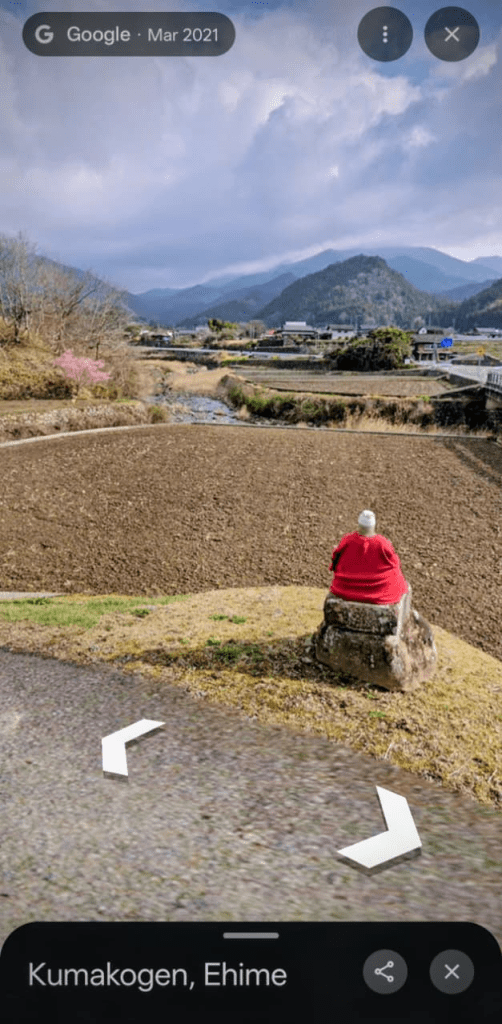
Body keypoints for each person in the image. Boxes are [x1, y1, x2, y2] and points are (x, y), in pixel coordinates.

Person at [329, 510, 408, 605]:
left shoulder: (348, 540)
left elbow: (335, 559)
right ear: (374, 524)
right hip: (380, 592)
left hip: (345, 589)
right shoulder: (382, 543)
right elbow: (394, 562)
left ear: (359, 523)